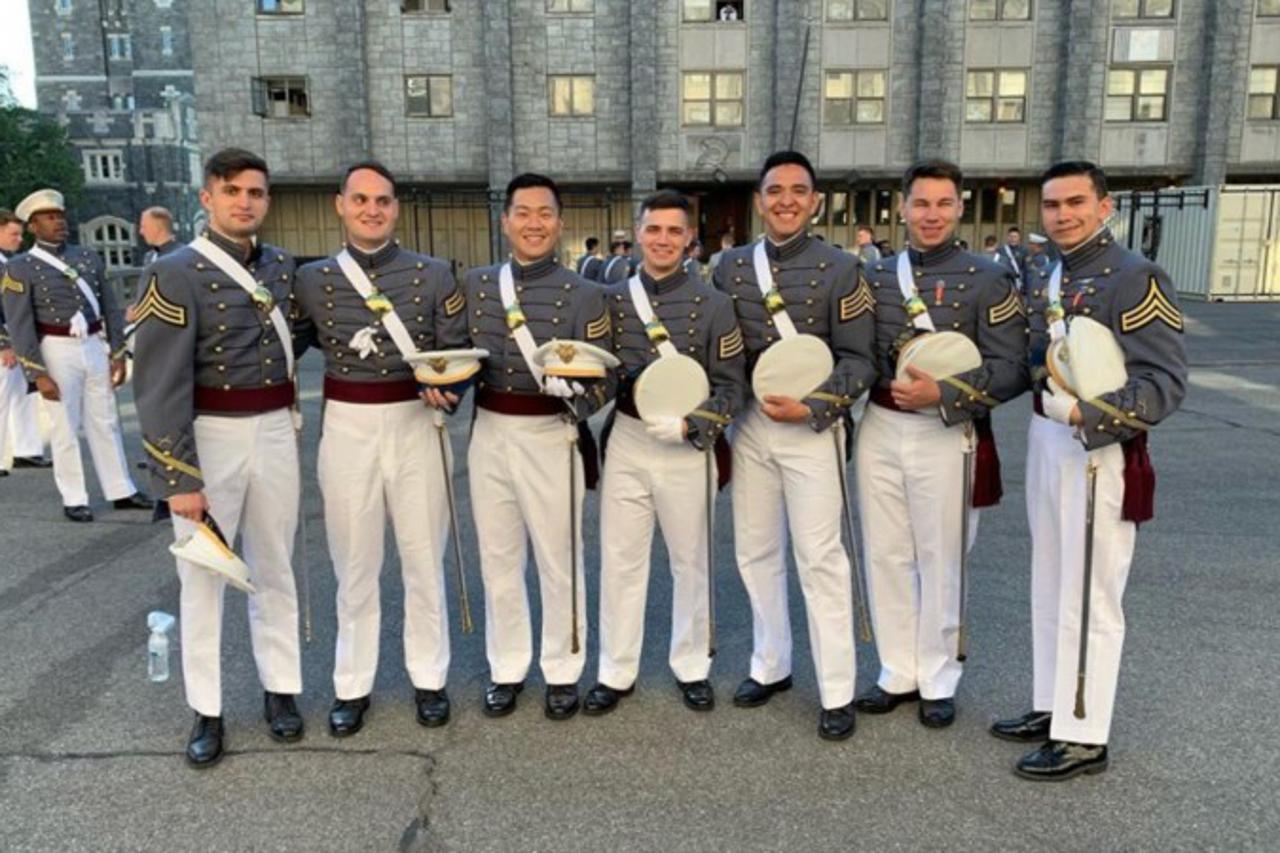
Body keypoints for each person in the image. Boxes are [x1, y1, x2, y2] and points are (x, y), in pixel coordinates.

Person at [993, 161, 1187, 781]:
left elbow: (1163, 381)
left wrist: (1088, 414)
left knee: (1091, 591)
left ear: (1105, 207)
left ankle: (1083, 731)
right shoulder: (1047, 272)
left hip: (1099, 446)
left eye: (1076, 202)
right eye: (1052, 205)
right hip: (1048, 435)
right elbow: (1034, 357)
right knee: (1051, 580)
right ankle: (1054, 703)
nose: (1063, 214)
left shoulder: (1135, 276)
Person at [133, 148, 305, 768]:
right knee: (204, 577)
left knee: (275, 565)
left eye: (255, 192)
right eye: (231, 191)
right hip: (209, 437)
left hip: (275, 429)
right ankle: (206, 708)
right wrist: (176, 476)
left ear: (267, 201)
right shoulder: (174, 271)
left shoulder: (281, 267)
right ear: (207, 198)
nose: (244, 202)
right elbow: (158, 385)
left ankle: (281, 689)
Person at [293, 161, 467, 736]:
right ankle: (352, 684)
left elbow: (457, 349)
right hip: (348, 425)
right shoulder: (311, 279)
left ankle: (429, 678)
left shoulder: (434, 274)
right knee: (354, 564)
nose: (372, 210)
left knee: (423, 558)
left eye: (383, 201)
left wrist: (451, 388)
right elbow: (281, 345)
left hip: (416, 421)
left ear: (396, 208)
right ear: (340, 204)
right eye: (361, 199)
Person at [853, 160, 1029, 728]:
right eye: (921, 203)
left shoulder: (988, 278)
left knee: (942, 556)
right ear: (902, 208)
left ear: (959, 208)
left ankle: (938, 675)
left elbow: (1012, 367)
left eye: (943, 204)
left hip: (947, 428)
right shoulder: (876, 276)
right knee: (886, 552)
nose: (932, 215)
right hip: (882, 423)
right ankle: (896, 670)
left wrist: (945, 392)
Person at [714, 150, 877, 741]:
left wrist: (817, 405)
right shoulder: (730, 267)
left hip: (812, 426)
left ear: (815, 202)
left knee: (820, 558)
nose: (786, 201)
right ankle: (771, 663)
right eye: (775, 191)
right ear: (760, 201)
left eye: (798, 191)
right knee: (755, 550)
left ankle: (836, 689)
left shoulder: (842, 268)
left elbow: (861, 359)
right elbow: (718, 348)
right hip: (752, 422)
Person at [584, 191, 746, 716]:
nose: (663, 240)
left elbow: (732, 387)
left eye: (675, 231)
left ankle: (692, 664)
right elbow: (598, 373)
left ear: (689, 240)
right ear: (638, 233)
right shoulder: (610, 299)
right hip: (630, 437)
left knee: (691, 560)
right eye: (654, 229)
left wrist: (693, 424)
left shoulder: (715, 304)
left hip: (686, 445)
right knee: (620, 560)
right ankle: (615, 670)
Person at [463, 173, 616, 720]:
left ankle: (563, 667)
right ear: (505, 221)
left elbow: (608, 377)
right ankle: (506, 667)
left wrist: (578, 398)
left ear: (560, 222)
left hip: (553, 432)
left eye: (544, 213)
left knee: (559, 558)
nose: (534, 223)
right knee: (498, 557)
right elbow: (458, 354)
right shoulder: (477, 285)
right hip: (490, 431)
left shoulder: (587, 293)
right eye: (523, 213)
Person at [0, 190, 151, 521]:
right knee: (65, 426)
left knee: (106, 420)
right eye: (49, 217)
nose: (59, 222)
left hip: (94, 344)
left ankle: (121, 489)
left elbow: (110, 306)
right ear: (32, 226)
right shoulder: (20, 268)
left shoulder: (87, 257)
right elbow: (20, 325)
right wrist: (37, 373)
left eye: (60, 215)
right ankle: (74, 497)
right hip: (56, 349)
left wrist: (117, 352)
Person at [0, 209, 49, 474]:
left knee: (24, 393)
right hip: (6, 337)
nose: (19, 239)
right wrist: (3, 344)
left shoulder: (10, 263)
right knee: (2, 397)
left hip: (19, 334)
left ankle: (27, 450)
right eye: (13, 234)